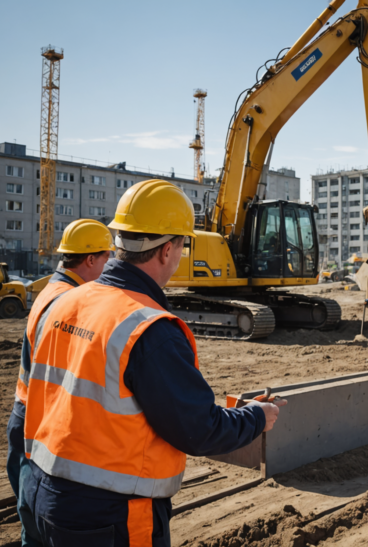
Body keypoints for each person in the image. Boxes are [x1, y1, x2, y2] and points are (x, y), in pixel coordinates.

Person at [22, 180, 286, 545]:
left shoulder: (64, 302)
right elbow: (199, 429)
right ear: (166, 250)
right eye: (183, 244)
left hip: (38, 490)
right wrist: (258, 417)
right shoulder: (148, 328)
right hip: (107, 513)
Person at [6, 219, 115, 547]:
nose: (110, 264)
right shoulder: (69, 302)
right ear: (91, 260)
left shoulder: (53, 291)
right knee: (39, 523)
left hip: (27, 414)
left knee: (32, 515)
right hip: (40, 421)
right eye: (107, 257)